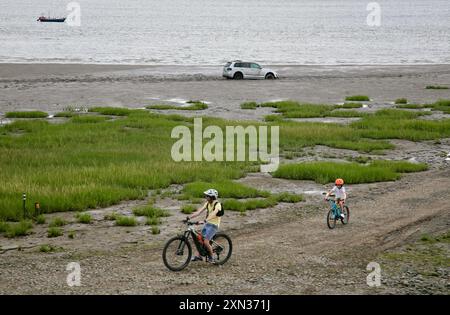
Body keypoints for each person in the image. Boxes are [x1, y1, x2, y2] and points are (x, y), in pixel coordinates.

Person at [187, 188, 222, 263]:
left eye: (207, 196)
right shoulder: (207, 203)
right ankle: (199, 256)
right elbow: (199, 212)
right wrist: (189, 217)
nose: (206, 197)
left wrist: (205, 220)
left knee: (206, 241)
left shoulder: (218, 205)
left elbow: (214, 213)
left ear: (212, 197)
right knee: (200, 240)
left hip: (214, 225)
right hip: (208, 224)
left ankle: (211, 258)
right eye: (206, 196)